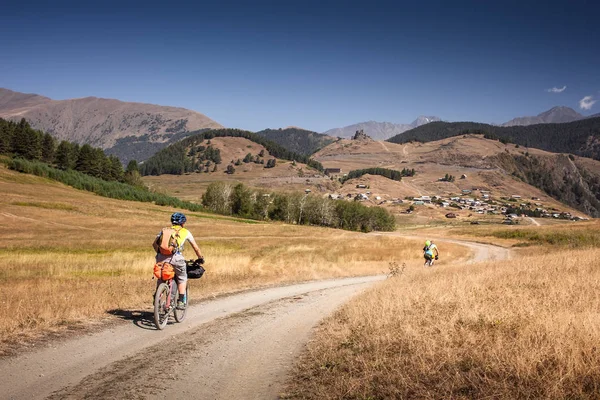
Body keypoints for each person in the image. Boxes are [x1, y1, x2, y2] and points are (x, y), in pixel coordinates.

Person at [154, 212, 204, 309]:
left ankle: (157, 298)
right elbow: (196, 248)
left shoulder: (164, 230)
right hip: (176, 258)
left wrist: (161, 254)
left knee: (162, 277)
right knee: (182, 277)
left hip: (160, 258)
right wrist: (200, 258)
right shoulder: (185, 232)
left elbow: (154, 244)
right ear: (183, 223)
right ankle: (181, 301)